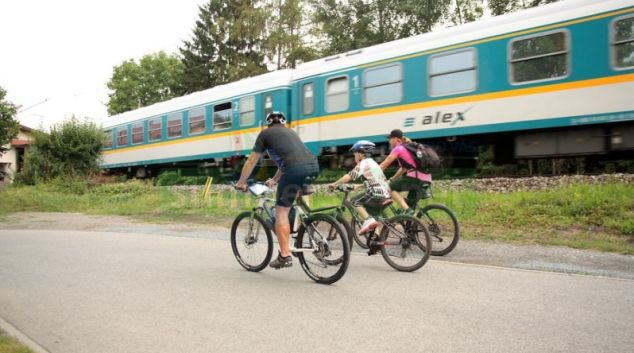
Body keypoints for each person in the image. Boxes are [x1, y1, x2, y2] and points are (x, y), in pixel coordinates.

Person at [236, 111, 320, 270]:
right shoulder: (290, 132)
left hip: (295, 170)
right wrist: (274, 180)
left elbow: (251, 161)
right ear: (283, 123)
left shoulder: (265, 134)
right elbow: (287, 162)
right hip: (313, 166)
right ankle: (308, 224)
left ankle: (285, 256)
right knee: (295, 199)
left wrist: (241, 182)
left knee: (281, 210)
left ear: (267, 123)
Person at [329, 140, 391, 236]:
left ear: (360, 153)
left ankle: (368, 220)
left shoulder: (363, 163)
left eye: (354, 154)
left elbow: (348, 177)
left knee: (354, 201)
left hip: (376, 192)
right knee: (370, 214)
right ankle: (376, 239)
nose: (354, 156)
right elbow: (377, 180)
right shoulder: (373, 163)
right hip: (386, 193)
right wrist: (359, 186)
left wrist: (335, 183)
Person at [379, 129, 432, 215]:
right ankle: (413, 222)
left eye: (390, 138)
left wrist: (370, 172)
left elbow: (383, 166)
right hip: (427, 179)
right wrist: (392, 179)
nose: (389, 141)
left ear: (396, 138)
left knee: (390, 189)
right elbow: (403, 169)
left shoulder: (398, 149)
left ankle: (407, 210)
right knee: (410, 205)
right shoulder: (409, 147)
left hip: (415, 179)